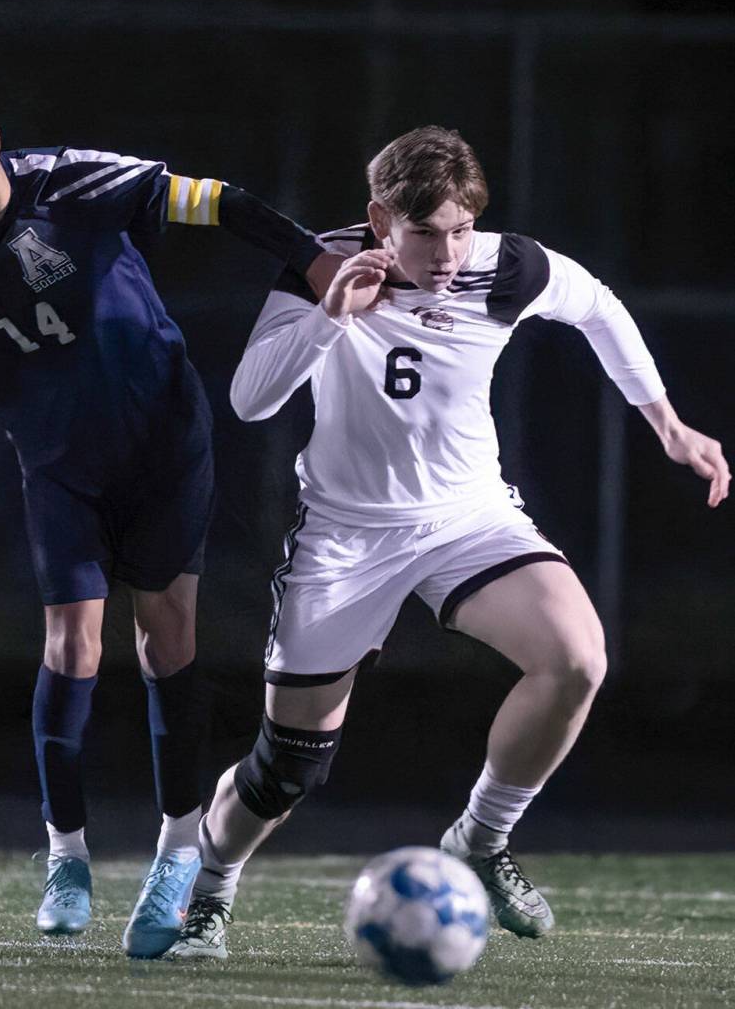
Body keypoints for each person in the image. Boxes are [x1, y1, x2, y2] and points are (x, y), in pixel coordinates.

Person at [0, 56, 329, 960]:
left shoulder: (76, 181)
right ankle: (67, 856)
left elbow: (213, 199)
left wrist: (309, 255)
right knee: (69, 641)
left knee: (166, 640)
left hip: (163, 439)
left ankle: (173, 854)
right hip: (56, 461)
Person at [167, 125, 730, 959]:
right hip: (347, 537)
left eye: (460, 228)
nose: (445, 251)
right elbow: (251, 400)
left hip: (467, 518)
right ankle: (207, 889)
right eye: (424, 231)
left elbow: (598, 307)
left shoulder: (507, 266)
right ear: (380, 217)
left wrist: (667, 424)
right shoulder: (325, 262)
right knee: (286, 768)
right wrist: (329, 316)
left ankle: (478, 838)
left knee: (576, 658)